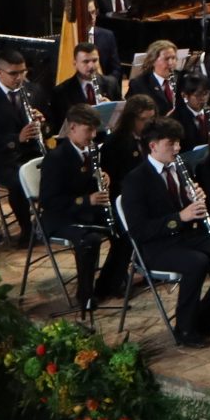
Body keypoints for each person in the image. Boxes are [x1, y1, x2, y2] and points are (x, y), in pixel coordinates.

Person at [117, 119, 210, 349]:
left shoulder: (179, 167)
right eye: (171, 144)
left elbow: (190, 209)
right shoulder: (136, 180)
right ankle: (185, 328)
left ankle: (205, 318)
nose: (177, 149)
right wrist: (180, 217)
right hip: (157, 247)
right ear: (153, 146)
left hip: (188, 237)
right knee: (197, 262)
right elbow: (139, 230)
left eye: (178, 143)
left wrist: (196, 199)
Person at [38, 105, 127, 312]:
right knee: (90, 240)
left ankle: (107, 284)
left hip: (87, 212)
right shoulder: (56, 158)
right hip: (61, 217)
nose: (93, 135)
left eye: (95, 130)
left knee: (125, 231)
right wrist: (87, 200)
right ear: (73, 128)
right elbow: (49, 201)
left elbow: (87, 180)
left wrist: (103, 178)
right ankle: (85, 295)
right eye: (89, 130)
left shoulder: (92, 151)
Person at [0, 50, 44, 240]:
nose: (19, 78)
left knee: (60, 169)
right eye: (13, 73)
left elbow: (49, 125)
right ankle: (27, 230)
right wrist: (16, 139)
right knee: (20, 182)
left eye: (23, 72)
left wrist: (42, 122)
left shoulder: (32, 91)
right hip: (4, 160)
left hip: (32, 152)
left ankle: (48, 222)